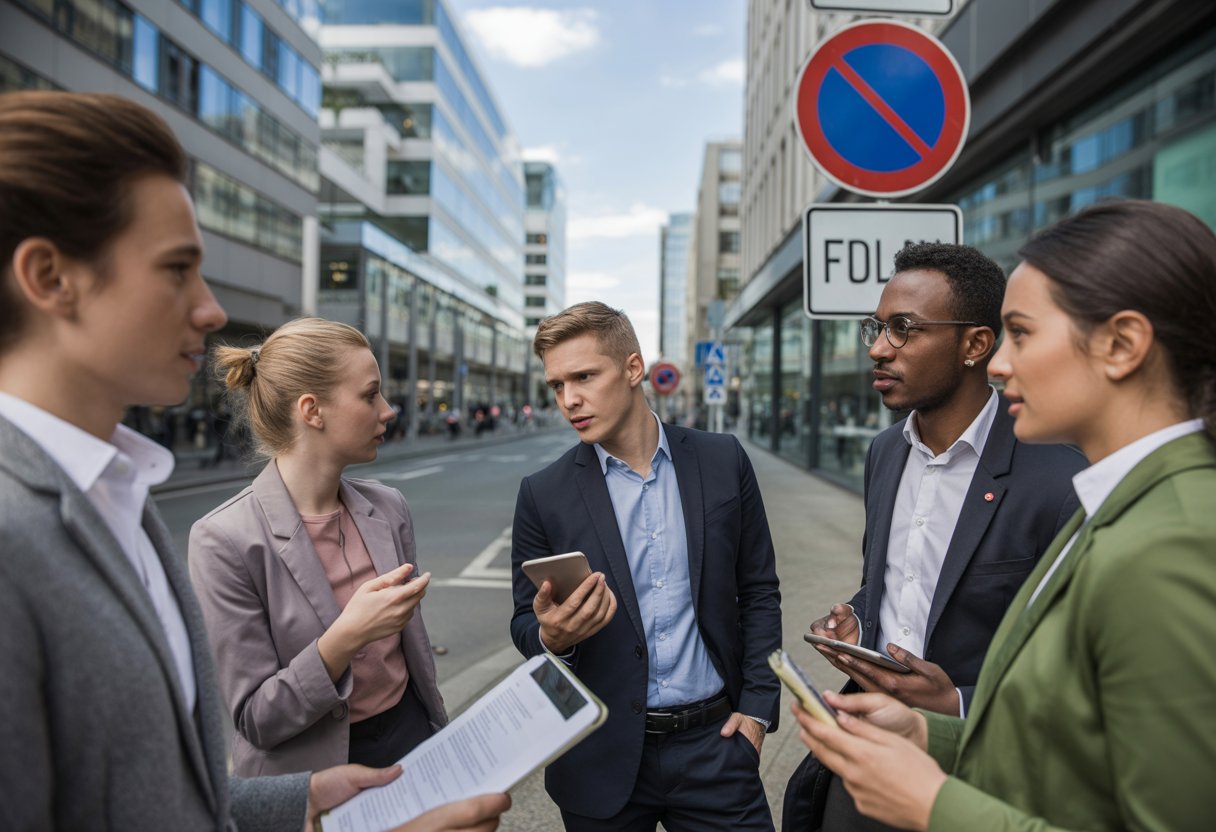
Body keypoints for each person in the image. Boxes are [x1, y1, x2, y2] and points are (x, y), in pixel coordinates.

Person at [0, 89, 507, 832]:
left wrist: (297, 804)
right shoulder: (21, 537)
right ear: (50, 278)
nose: (209, 310)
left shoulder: (122, 500)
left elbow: (157, 794)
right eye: (178, 269)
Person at [795, 200, 1216, 832]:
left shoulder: (1173, 538)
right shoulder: (1116, 502)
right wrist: (926, 734)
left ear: (1123, 344)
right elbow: (1063, 734)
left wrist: (934, 804)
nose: (998, 365)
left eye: (1020, 333)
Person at [783, 244, 1084, 831]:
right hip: (871, 751)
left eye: (903, 330)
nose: (876, 348)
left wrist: (958, 704)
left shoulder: (1060, 478)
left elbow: (1074, 669)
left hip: (983, 773)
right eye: (877, 327)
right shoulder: (884, 452)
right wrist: (857, 624)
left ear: (975, 345)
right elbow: (891, 584)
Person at [509, 301, 782, 830]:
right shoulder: (543, 493)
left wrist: (757, 710)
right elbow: (524, 624)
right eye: (557, 386)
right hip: (598, 753)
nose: (570, 400)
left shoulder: (722, 458)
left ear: (633, 369)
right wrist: (553, 637)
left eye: (584, 377)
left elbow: (759, 590)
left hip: (716, 746)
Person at [189, 318, 447, 775]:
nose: (387, 410)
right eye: (370, 395)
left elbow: (414, 658)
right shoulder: (224, 539)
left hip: (413, 743)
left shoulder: (388, 508)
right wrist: (346, 638)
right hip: (309, 774)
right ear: (312, 411)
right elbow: (256, 719)